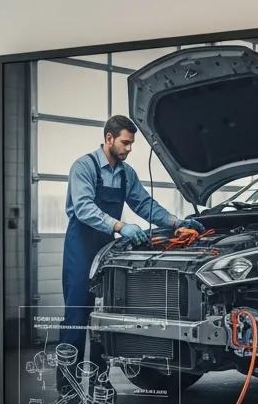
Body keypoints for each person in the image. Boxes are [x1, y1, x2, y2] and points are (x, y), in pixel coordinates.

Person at [61, 114, 203, 357]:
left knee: (103, 319)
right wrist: (120, 226)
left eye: (131, 144)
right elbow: (83, 208)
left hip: (106, 250)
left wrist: (176, 221)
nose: (128, 149)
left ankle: (99, 382)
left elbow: (145, 204)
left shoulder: (126, 173)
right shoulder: (84, 167)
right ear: (109, 138)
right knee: (76, 316)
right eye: (125, 143)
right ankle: (68, 389)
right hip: (81, 248)